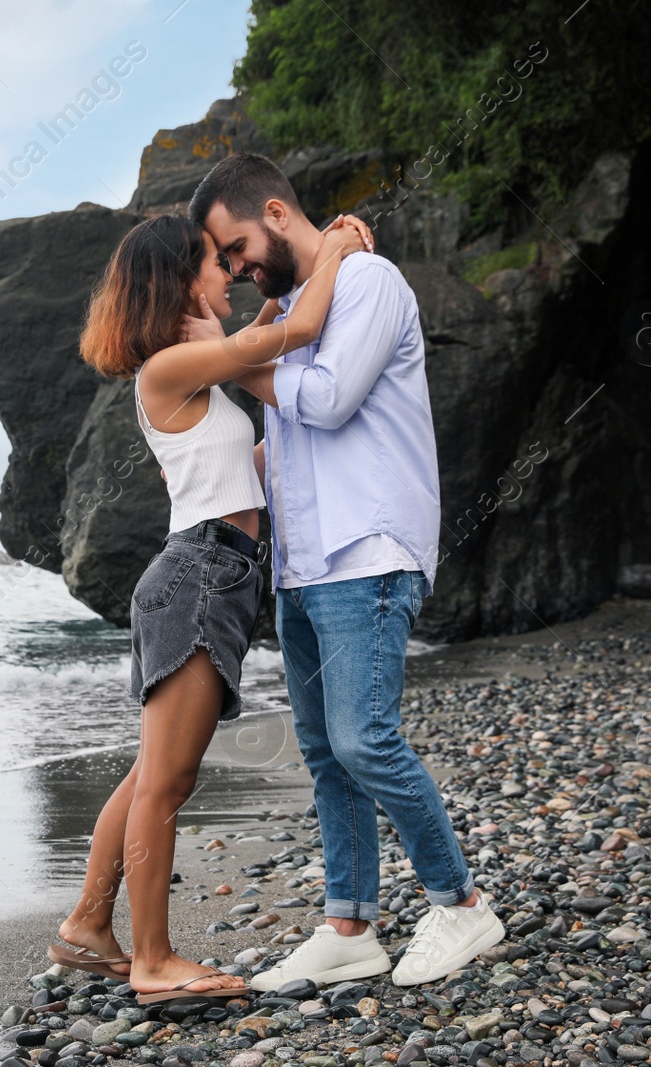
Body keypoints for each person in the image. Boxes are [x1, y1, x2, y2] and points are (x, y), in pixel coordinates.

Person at [181, 152, 506, 989]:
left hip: (368, 551)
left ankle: (462, 904)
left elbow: (324, 400)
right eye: (227, 260)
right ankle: (349, 924)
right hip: (303, 562)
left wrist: (227, 356)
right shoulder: (296, 306)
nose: (240, 267)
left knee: (366, 737)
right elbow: (289, 439)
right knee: (326, 751)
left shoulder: (367, 281)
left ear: (279, 214)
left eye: (241, 246)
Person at [48, 209, 373, 1003]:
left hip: (216, 575)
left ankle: (89, 925)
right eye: (214, 262)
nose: (228, 272)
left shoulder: (187, 368)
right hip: (199, 576)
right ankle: (155, 962)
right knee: (168, 780)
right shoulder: (168, 366)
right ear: (178, 279)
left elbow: (242, 446)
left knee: (151, 774)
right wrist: (331, 253)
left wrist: (258, 316)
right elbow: (280, 342)